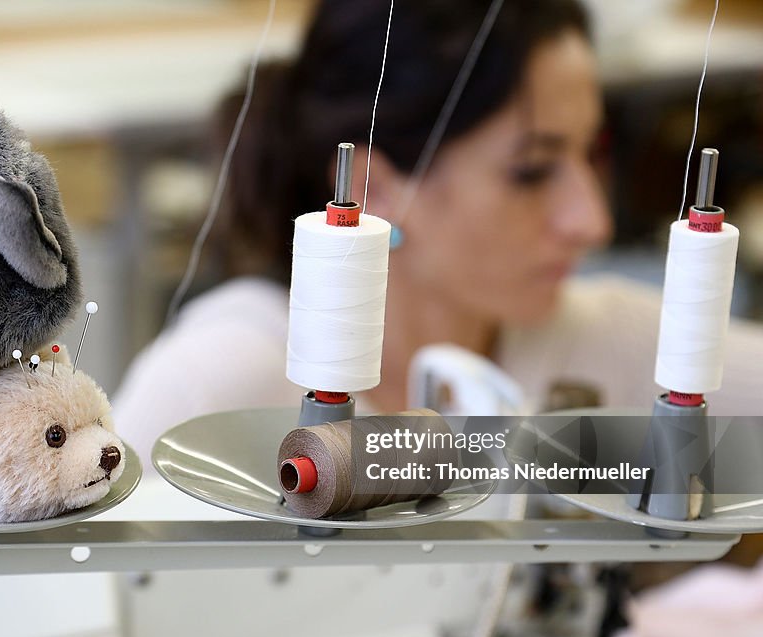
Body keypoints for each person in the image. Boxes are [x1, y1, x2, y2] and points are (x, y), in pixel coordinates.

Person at [112, 0, 763, 465]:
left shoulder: (608, 343)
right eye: (532, 171)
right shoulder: (212, 389)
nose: (592, 220)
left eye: (590, 155)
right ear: (375, 188)